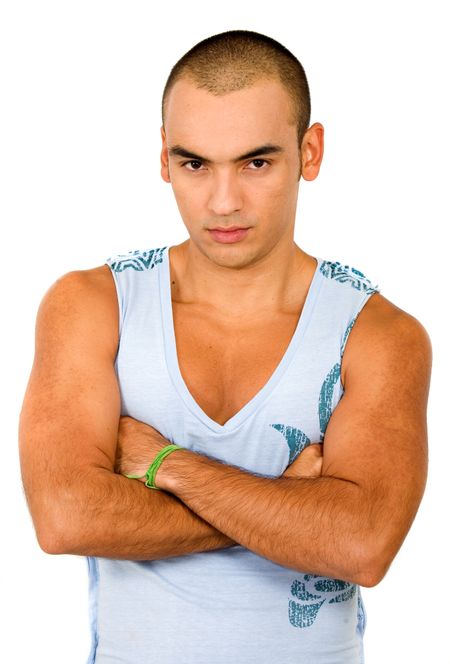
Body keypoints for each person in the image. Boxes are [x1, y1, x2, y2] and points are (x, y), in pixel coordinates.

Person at [19, 29, 432, 664]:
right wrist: (290, 508)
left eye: (256, 163)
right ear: (163, 158)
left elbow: (362, 546)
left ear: (310, 151)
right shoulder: (95, 305)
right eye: (194, 163)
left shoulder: (378, 333)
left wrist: (168, 468)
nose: (223, 201)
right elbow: (65, 518)